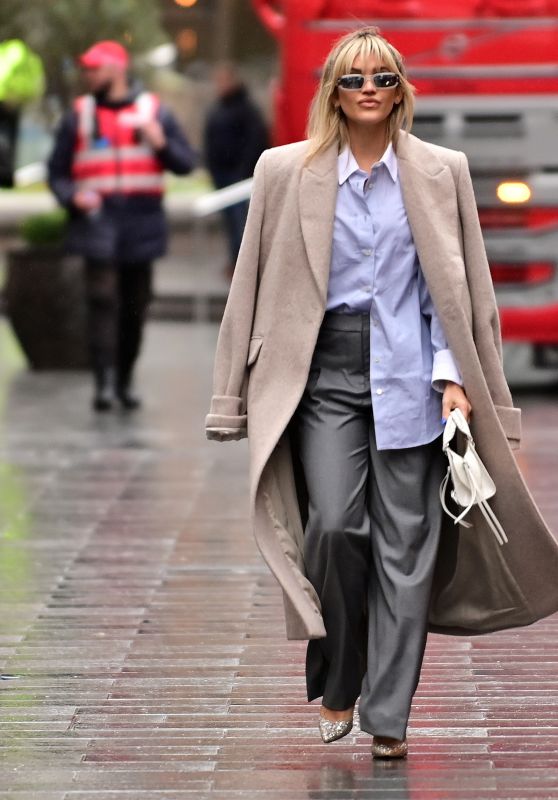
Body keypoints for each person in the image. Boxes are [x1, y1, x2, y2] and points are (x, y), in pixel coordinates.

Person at [205, 28, 558, 758]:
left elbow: (457, 289)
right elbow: (248, 286)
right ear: (331, 90)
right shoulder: (283, 171)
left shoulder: (440, 170)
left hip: (412, 374)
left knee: (407, 550)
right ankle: (340, 676)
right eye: (354, 79)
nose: (369, 89)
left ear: (403, 90)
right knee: (334, 526)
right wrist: (229, 396)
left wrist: (458, 378)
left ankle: (388, 716)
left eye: (384, 78)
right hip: (321, 372)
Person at [48, 40, 196, 411]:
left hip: (141, 223)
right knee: (101, 301)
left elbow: (185, 163)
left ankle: (125, 378)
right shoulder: (79, 114)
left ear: (117, 70)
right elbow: (57, 171)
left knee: (134, 306)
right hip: (97, 223)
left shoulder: (154, 113)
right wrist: (71, 197)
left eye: (94, 69)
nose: (88, 75)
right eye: (86, 69)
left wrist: (160, 143)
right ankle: (103, 382)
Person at [203, 62, 268, 276]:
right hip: (221, 173)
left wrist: (244, 170)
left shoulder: (246, 109)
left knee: (240, 223)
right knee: (231, 224)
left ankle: (243, 268)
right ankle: (235, 262)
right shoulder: (218, 108)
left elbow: (255, 141)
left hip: (238, 176)